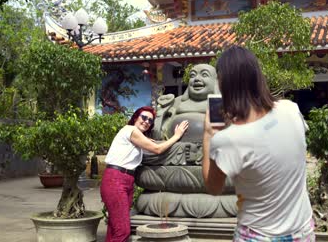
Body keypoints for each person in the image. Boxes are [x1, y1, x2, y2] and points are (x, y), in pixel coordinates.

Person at [202, 46, 315, 241]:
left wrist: (208, 134)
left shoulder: (227, 140)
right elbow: (267, 137)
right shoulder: (291, 110)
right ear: (258, 77)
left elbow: (213, 187)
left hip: (257, 235)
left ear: (223, 84)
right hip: (302, 232)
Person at [100, 106, 189, 242]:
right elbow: (157, 149)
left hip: (126, 180)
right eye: (144, 117)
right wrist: (176, 136)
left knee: (114, 227)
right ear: (136, 117)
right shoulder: (130, 130)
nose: (147, 121)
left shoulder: (135, 136)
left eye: (150, 120)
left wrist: (150, 141)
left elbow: (149, 145)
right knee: (122, 230)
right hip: (116, 179)